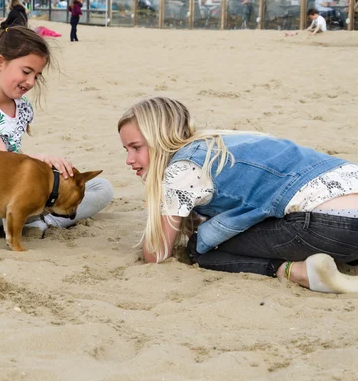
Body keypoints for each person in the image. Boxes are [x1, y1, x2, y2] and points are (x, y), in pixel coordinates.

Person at [118, 96, 358, 294]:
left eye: (137, 147)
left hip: (333, 227)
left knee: (200, 251)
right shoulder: (221, 141)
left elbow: (157, 254)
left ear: (159, 138)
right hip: (345, 208)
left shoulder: (181, 170)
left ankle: (294, 271)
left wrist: (159, 203)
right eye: (126, 150)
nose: (129, 160)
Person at [0, 26, 113, 237]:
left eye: (37, 75)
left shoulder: (20, 105)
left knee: (102, 188)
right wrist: (42, 160)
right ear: (0, 62)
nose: (31, 82)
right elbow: (2, 161)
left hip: (16, 185)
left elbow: (16, 155)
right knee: (21, 199)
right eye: (26, 72)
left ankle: (41, 219)